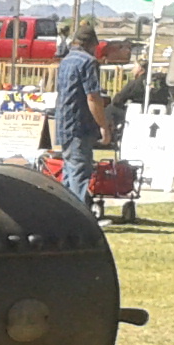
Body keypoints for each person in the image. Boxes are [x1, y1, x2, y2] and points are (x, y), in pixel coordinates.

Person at [52, 20, 112, 210]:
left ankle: (65, 211)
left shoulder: (66, 61)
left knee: (69, 170)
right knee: (79, 172)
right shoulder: (88, 62)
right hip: (80, 125)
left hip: (63, 122)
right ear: (92, 44)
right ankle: (80, 213)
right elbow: (92, 97)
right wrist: (103, 125)